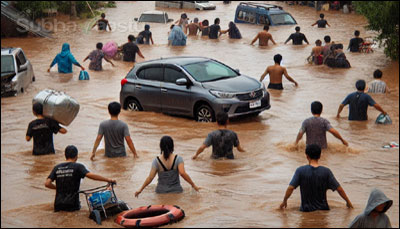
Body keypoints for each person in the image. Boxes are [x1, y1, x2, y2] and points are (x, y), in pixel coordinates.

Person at [279, 144, 353, 212]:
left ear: (307, 156)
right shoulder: (326, 172)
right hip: (324, 210)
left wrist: (284, 201)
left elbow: (290, 188)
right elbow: (339, 189)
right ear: (320, 156)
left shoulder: (300, 171)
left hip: (306, 211)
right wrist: (348, 202)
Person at [45, 145, 116, 212]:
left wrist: (58, 188)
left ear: (65, 156)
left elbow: (47, 184)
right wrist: (107, 179)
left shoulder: (57, 167)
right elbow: (91, 176)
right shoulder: (78, 167)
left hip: (58, 204)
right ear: (76, 156)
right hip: (72, 204)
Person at [135, 136, 200, 197]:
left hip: (160, 192)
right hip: (176, 191)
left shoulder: (156, 160)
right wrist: (193, 185)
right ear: (172, 146)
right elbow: (182, 173)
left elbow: (150, 177)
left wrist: (140, 190)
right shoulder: (178, 159)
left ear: (161, 147)